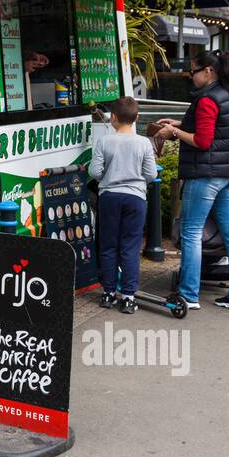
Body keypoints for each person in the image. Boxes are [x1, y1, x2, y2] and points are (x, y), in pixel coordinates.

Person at [158, 50, 229, 312]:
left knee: (191, 232)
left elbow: (202, 140)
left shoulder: (208, 99)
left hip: (206, 175)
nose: (190, 76)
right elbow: (211, 128)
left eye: (193, 71)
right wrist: (180, 122)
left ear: (208, 71)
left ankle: (188, 294)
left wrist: (173, 131)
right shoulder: (228, 94)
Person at [89, 96, 157, 314]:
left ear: (113, 118)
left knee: (108, 246)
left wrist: (108, 178)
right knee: (130, 247)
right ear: (136, 117)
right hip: (135, 199)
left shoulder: (104, 142)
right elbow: (151, 174)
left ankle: (108, 293)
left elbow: (94, 172)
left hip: (109, 197)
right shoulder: (144, 143)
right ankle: (128, 296)